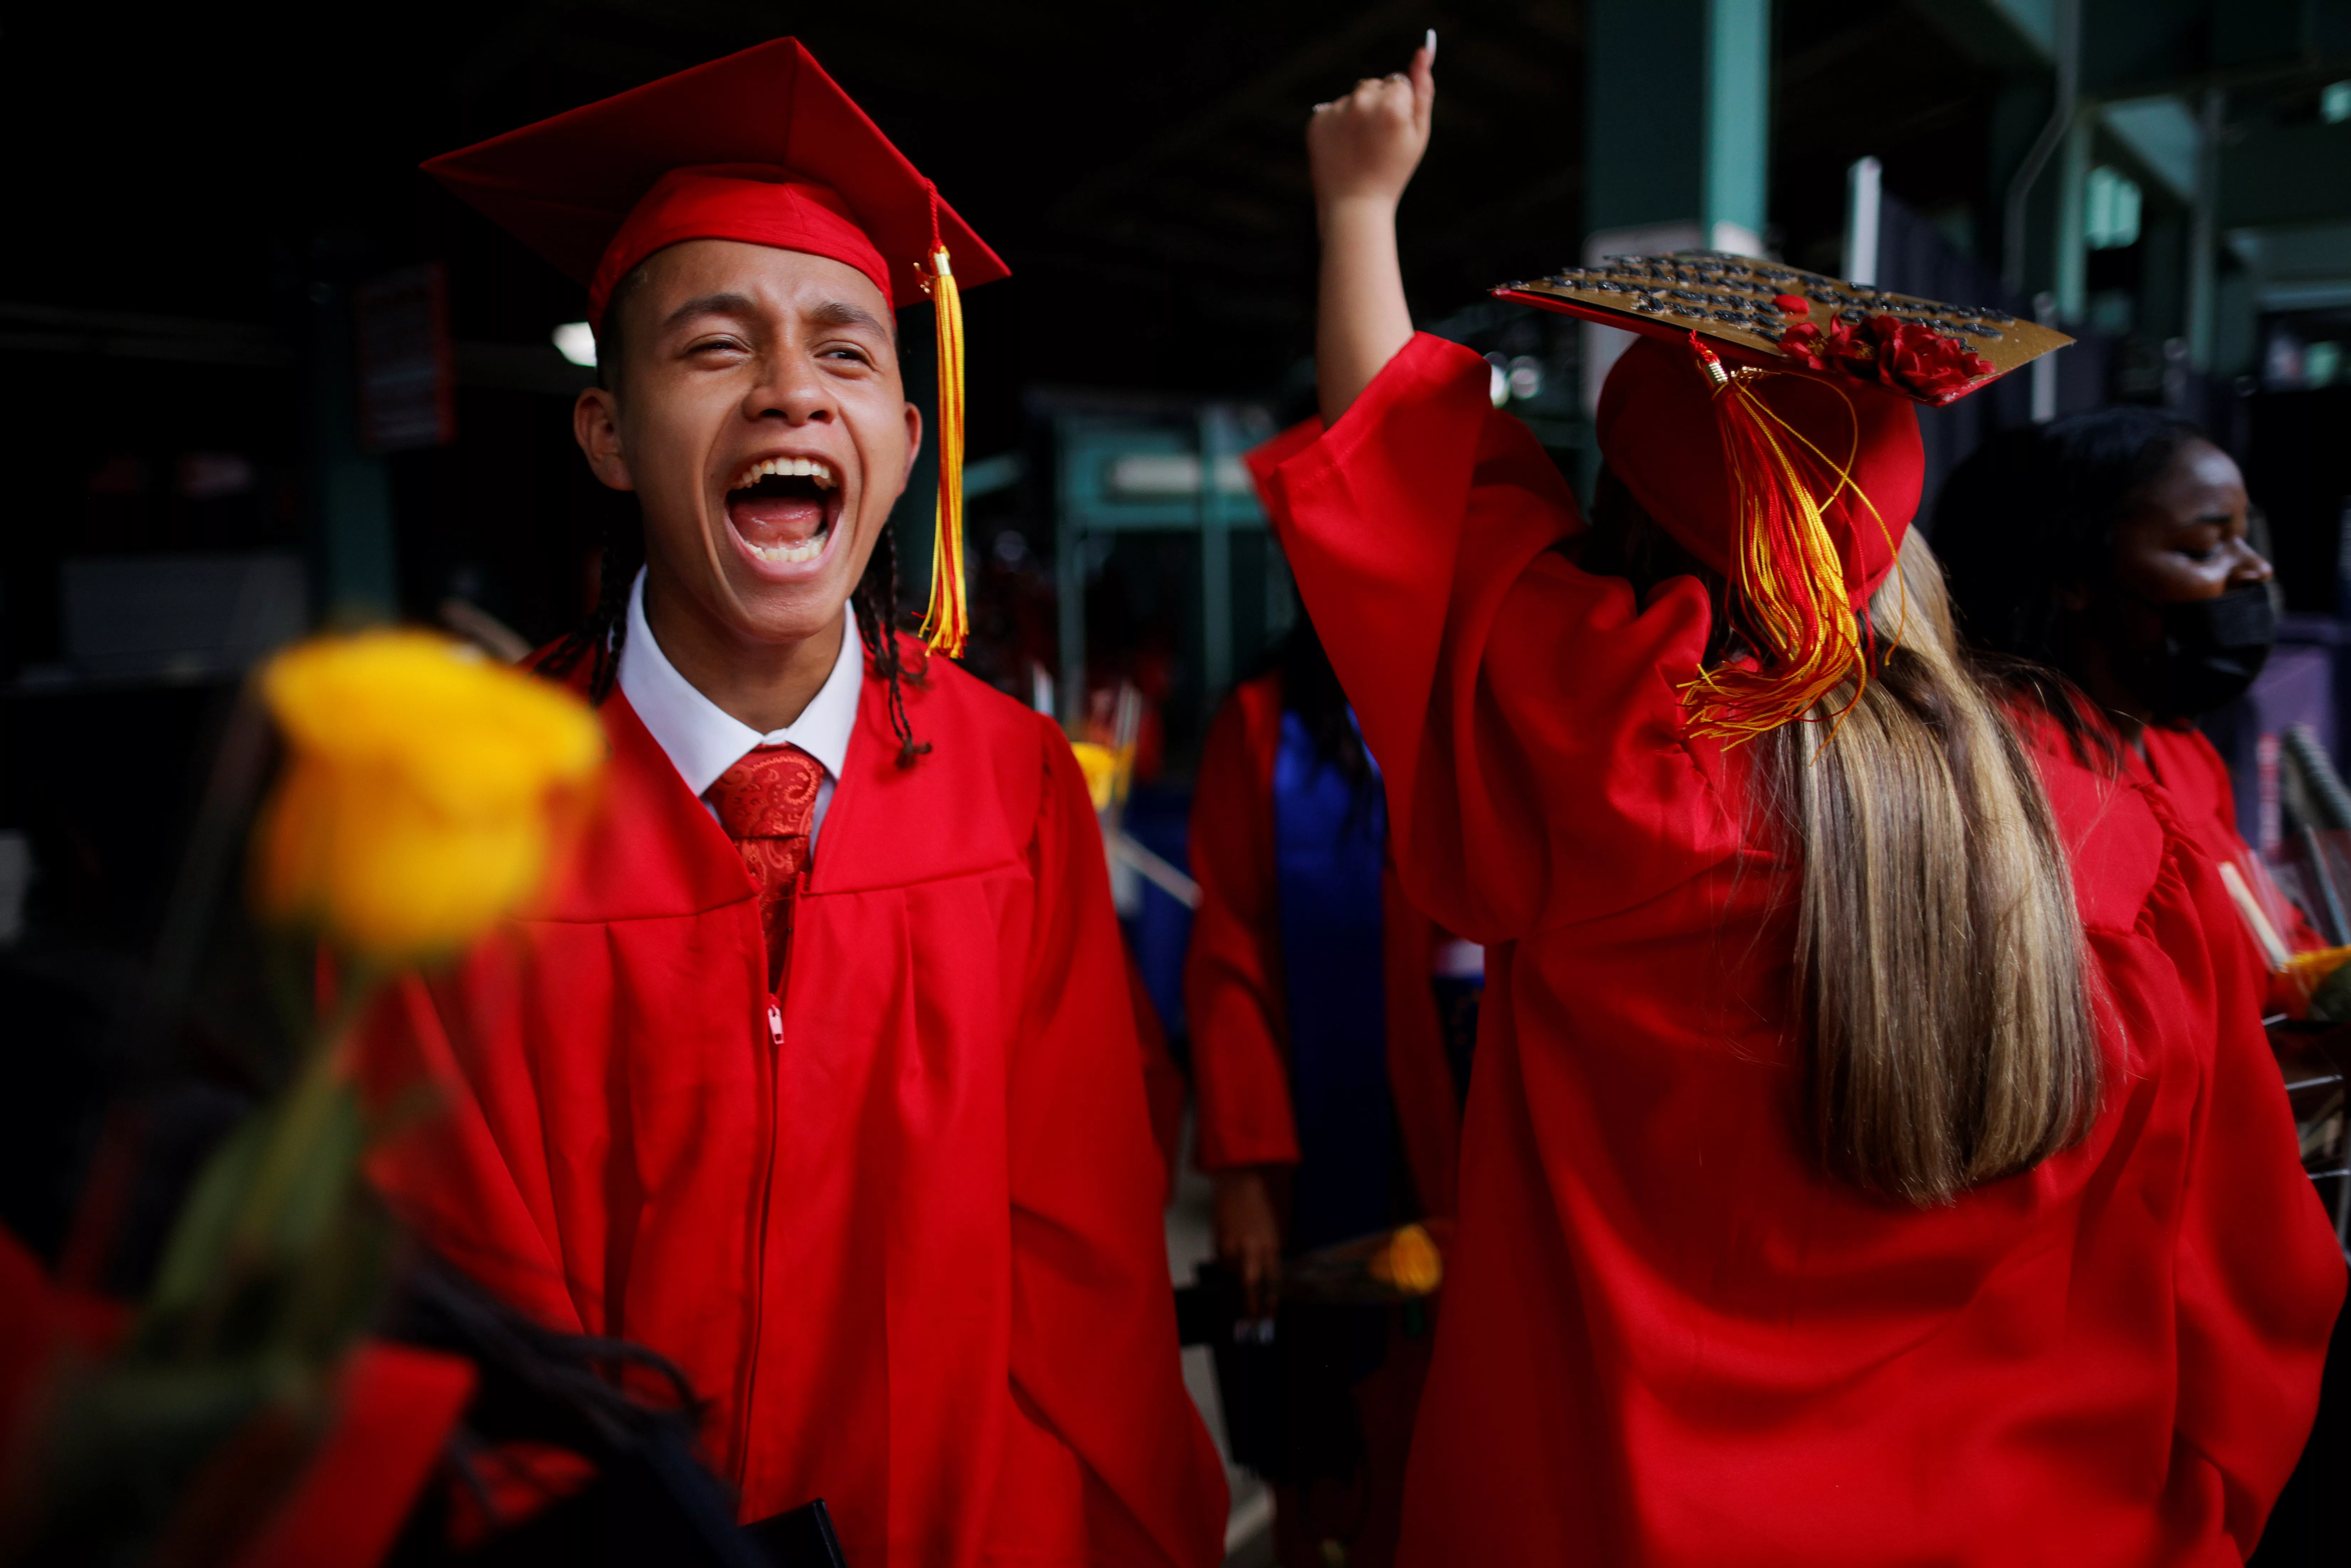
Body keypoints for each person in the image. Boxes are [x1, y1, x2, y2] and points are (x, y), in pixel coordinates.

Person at [1246, 40, 2344, 1564]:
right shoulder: (2115, 823)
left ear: (1625, 532)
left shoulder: (1607, 756)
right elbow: (2243, 1274)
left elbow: (1414, 484)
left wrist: (1359, 204)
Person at [357, 40, 1226, 1568]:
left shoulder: (1017, 789)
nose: (789, 391)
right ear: (608, 432)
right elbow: (441, 1298)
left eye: (845, 351)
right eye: (713, 346)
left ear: (904, 438)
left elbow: (1087, 1270)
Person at [1185, 610, 1474, 1568]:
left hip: (1475, 1157)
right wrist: (1245, 1175)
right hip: (1334, 1178)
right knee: (1343, 1462)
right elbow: (1230, 958)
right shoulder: (1265, 729)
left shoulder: (1488, 710)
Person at [1938, 411, 2323, 957]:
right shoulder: (2015, 778)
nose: (2257, 569)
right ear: (2074, 576)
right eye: (2204, 549)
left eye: (2246, 537)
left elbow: (2264, 937)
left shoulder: (2181, 747)